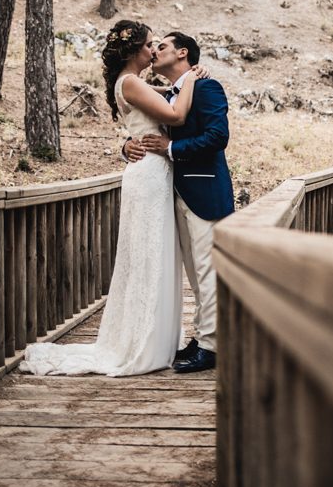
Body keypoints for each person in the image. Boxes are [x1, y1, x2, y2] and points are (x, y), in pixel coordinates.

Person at [20, 20, 201, 376]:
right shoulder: (131, 82)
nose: (154, 50)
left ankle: (153, 335)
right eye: (150, 44)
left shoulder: (134, 83)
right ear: (135, 50)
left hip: (152, 172)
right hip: (149, 176)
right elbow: (176, 115)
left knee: (153, 256)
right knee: (148, 256)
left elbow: (148, 122)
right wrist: (192, 76)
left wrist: (125, 146)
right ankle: (141, 342)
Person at [124, 31, 235, 373]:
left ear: (183, 53)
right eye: (152, 46)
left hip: (204, 192)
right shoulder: (172, 94)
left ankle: (213, 346)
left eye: (162, 46)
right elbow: (145, 127)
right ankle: (203, 337)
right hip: (174, 193)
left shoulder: (206, 87)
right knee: (194, 271)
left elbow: (219, 137)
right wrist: (127, 146)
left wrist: (171, 149)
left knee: (208, 270)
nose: (155, 51)